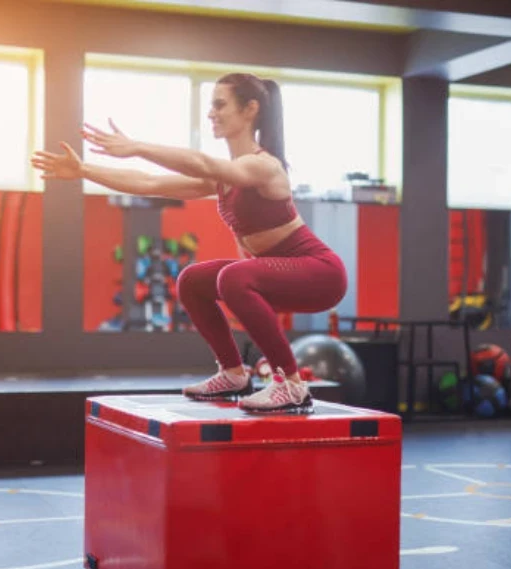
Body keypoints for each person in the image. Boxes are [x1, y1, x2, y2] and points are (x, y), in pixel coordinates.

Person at [31, 73, 347, 414]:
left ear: (250, 109)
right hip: (277, 274)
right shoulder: (225, 177)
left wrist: (137, 146)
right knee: (193, 280)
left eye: (219, 104)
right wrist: (83, 171)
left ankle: (291, 384)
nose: (211, 112)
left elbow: (202, 163)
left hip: (321, 274)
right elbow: (150, 183)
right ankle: (233, 374)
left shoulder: (263, 166)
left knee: (235, 277)